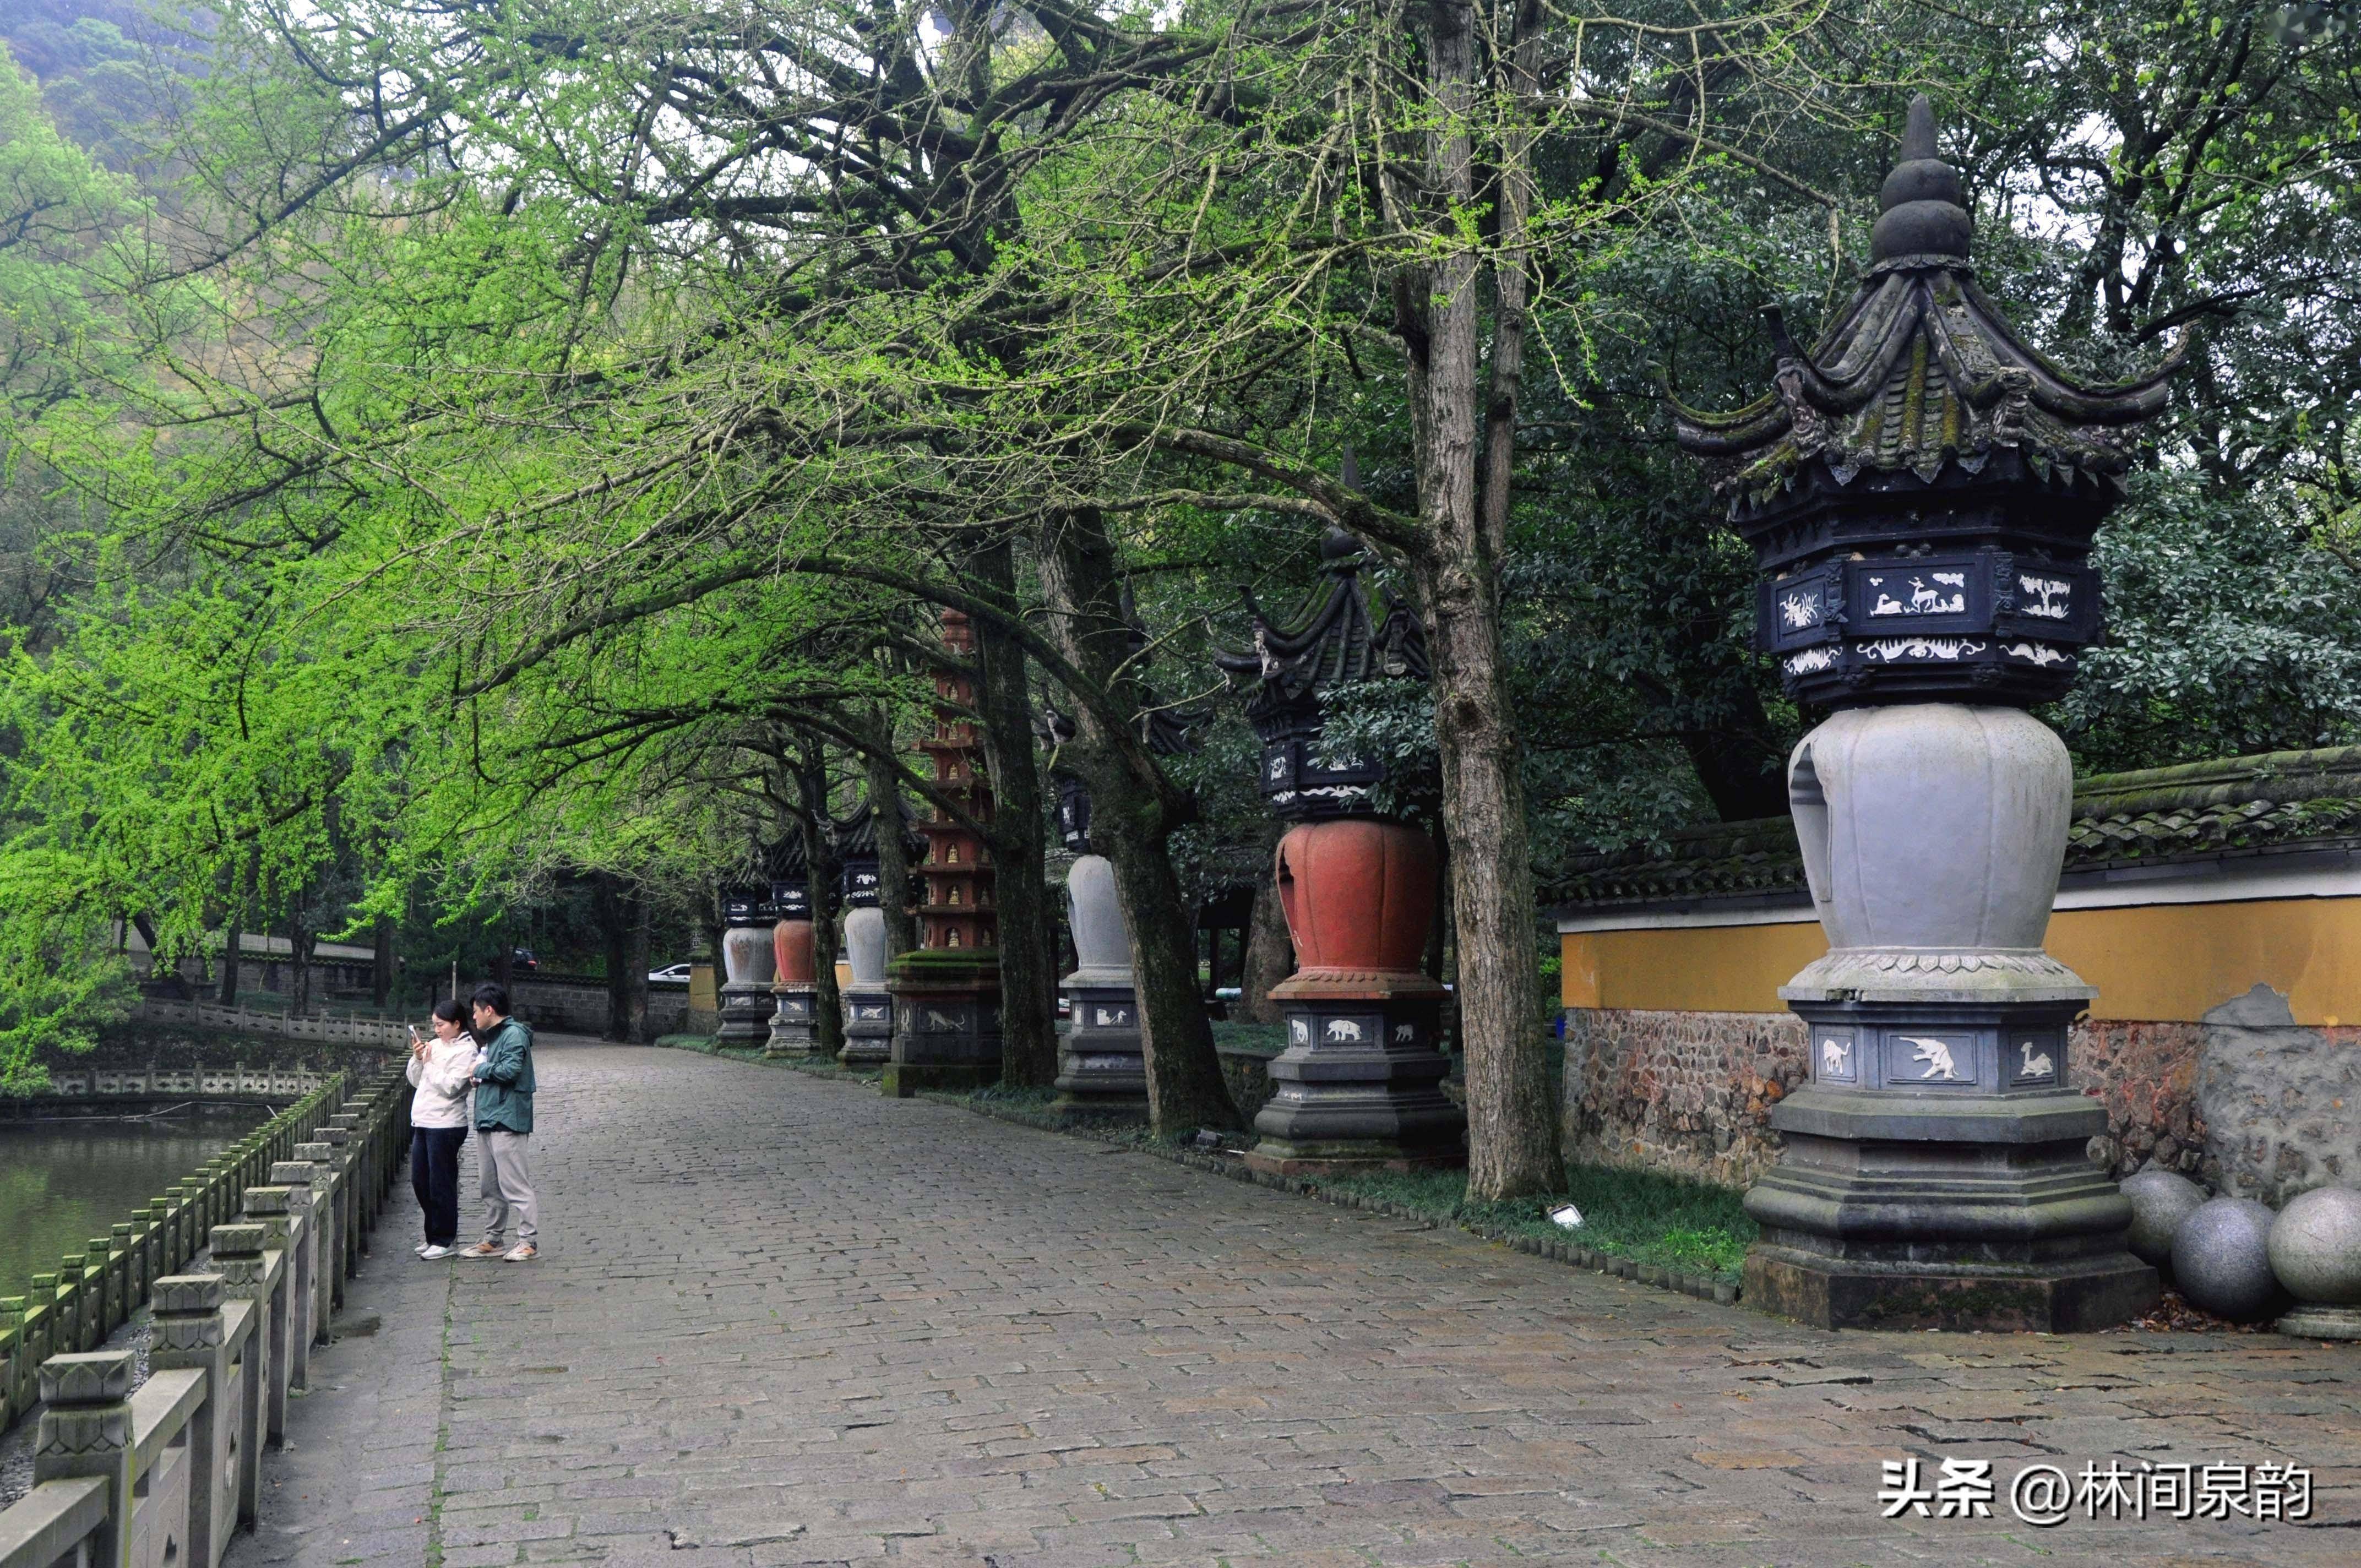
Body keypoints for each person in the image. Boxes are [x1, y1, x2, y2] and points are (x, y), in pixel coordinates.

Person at [458, 981, 540, 1261]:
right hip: (489, 1117)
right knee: (490, 1185)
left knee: (515, 1184)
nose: (474, 1017)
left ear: (489, 1010)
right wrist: (480, 1074)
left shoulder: (514, 1035)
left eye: (476, 1012)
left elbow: (511, 1070)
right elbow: (496, 1071)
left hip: (508, 1118)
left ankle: (528, 1241)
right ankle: (494, 1239)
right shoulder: (494, 1037)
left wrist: (480, 1068)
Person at [405, 999, 476, 1259]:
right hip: (423, 1120)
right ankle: (432, 1235)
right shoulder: (434, 1046)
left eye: (441, 1025)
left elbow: (451, 1087)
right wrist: (417, 1058)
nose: (437, 1030)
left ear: (457, 1024)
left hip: (446, 1124)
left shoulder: (467, 1051)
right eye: (434, 1025)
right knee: (420, 1181)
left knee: (440, 1183)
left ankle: (445, 1239)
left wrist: (430, 1064)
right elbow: (415, 1080)